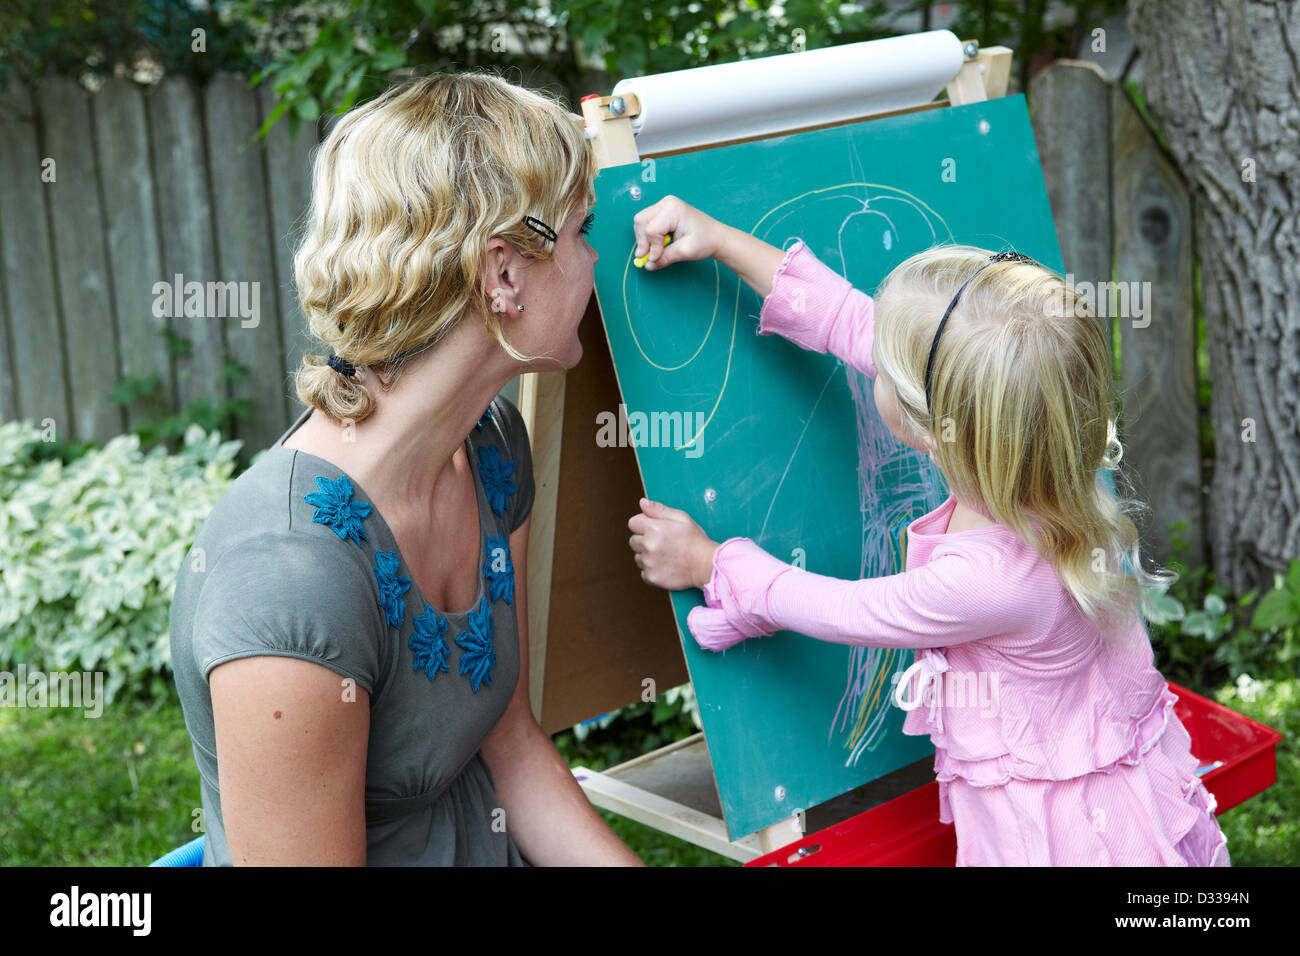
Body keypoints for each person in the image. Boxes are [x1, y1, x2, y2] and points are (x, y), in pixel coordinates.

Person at [626, 196, 1230, 867]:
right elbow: (851, 322)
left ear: (927, 427)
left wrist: (713, 563)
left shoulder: (989, 581)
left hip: (1064, 841)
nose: (872, 352)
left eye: (886, 367)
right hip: (1113, 796)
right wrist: (722, 241)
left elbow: (844, 609)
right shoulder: (1040, 446)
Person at [169, 72, 642, 865]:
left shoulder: (491, 448)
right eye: (582, 229)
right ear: (502, 273)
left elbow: (512, 746)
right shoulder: (287, 580)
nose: (597, 261)